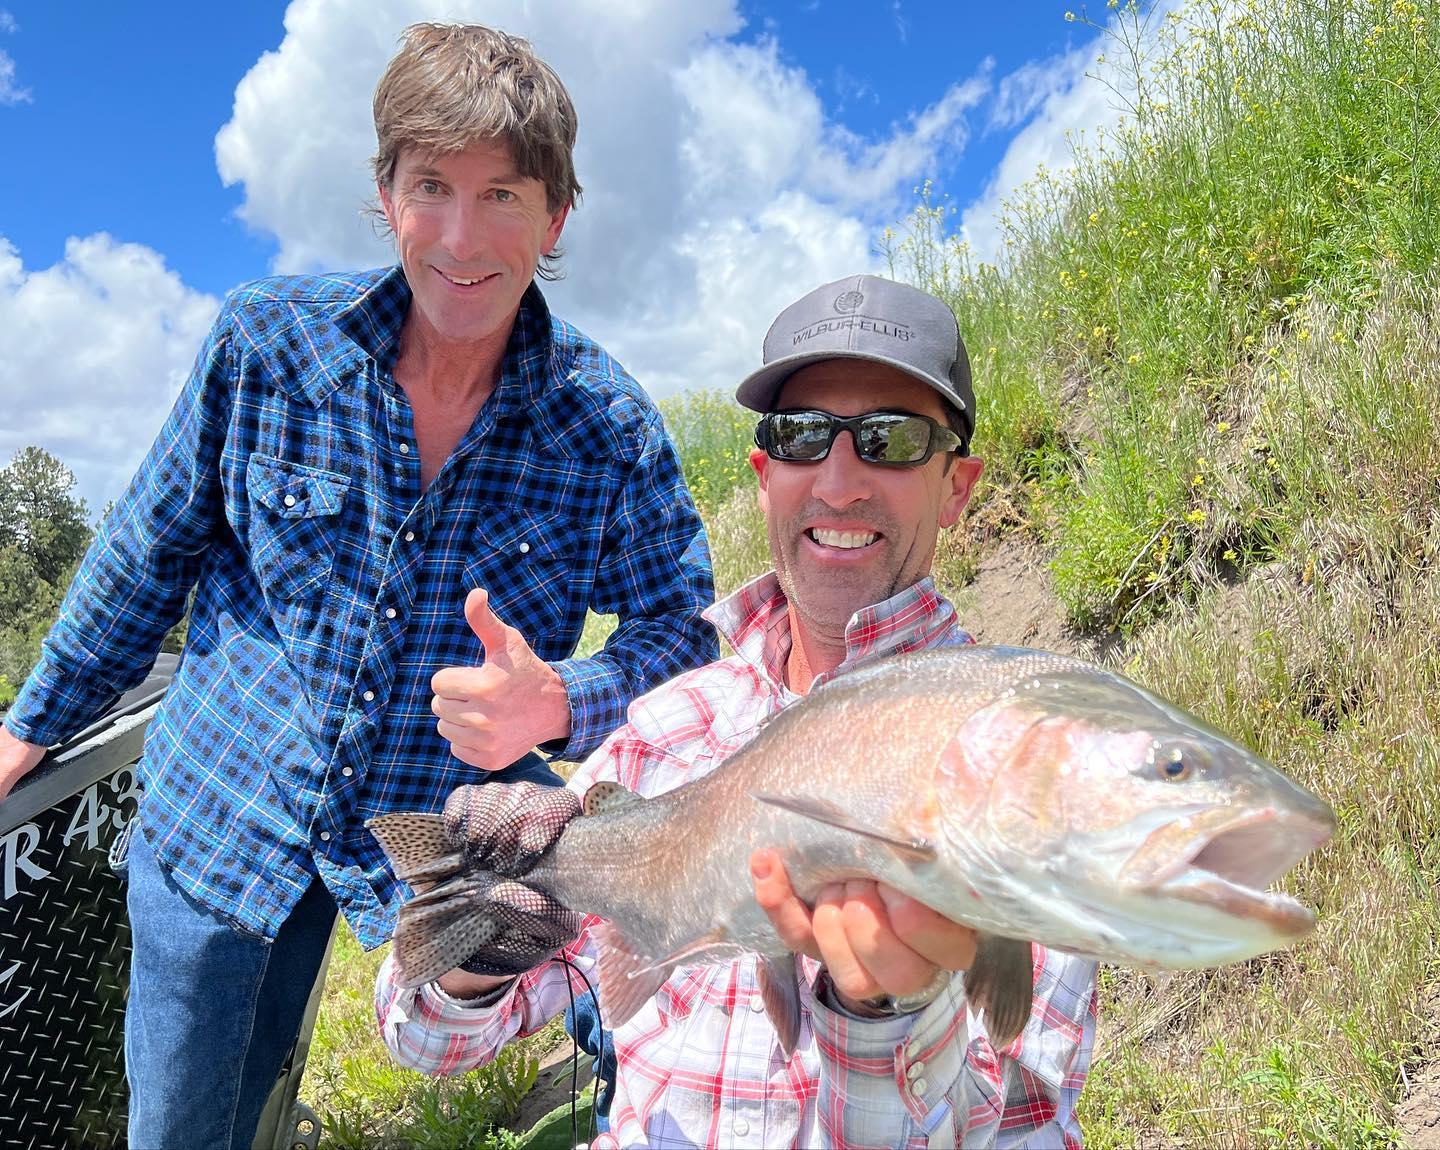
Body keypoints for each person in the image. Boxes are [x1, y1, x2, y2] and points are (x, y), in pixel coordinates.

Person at [0, 23, 717, 1150]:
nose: (462, 236)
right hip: (224, 812)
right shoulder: (264, 345)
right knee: (187, 1126)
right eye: (431, 185)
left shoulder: (606, 427)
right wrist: (30, 724)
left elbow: (688, 636)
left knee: (645, 1022)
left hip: (444, 834)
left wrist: (562, 701)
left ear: (558, 216)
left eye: (505, 195)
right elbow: (148, 551)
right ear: (385, 194)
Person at [375, 273, 1099, 1147]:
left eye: (893, 439)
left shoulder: (1014, 755)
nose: (838, 480)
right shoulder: (664, 731)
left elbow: (1019, 1125)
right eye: (800, 437)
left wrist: (883, 1012)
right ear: (763, 475)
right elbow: (422, 1041)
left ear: (956, 486)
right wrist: (481, 946)